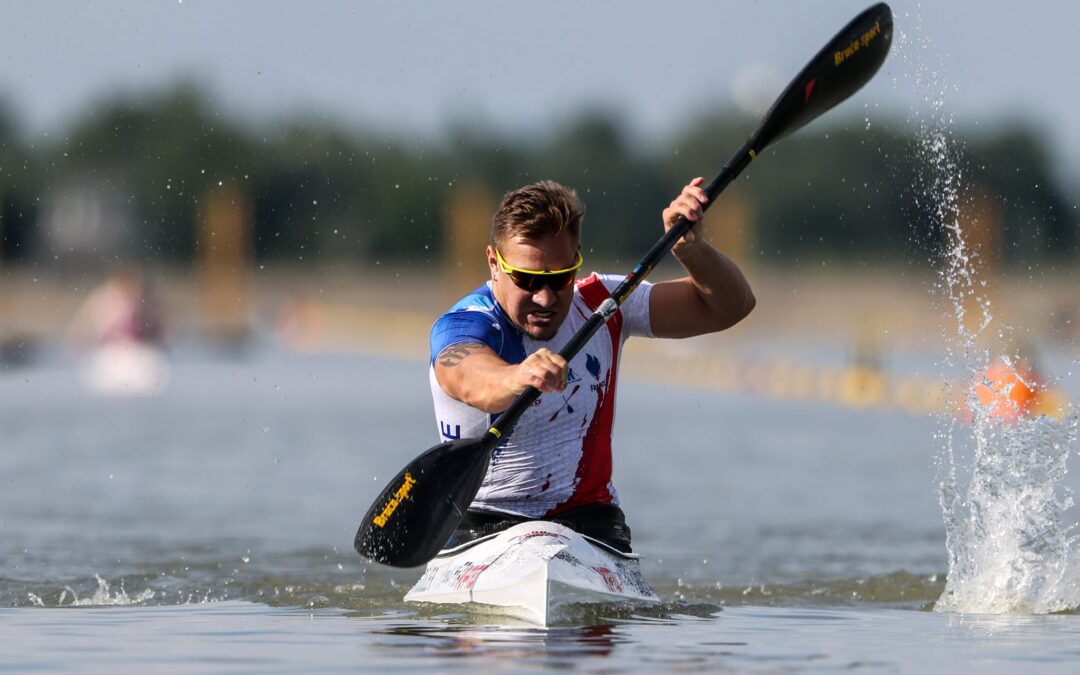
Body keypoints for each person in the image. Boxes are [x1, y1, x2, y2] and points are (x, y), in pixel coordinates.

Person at [429, 178, 755, 552]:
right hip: (482, 526)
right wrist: (518, 375)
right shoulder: (465, 324)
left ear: (577, 259)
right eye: (527, 279)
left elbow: (732, 306)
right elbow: (470, 379)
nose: (545, 297)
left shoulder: (603, 303)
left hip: (591, 525)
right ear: (494, 263)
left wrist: (692, 251)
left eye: (560, 278)